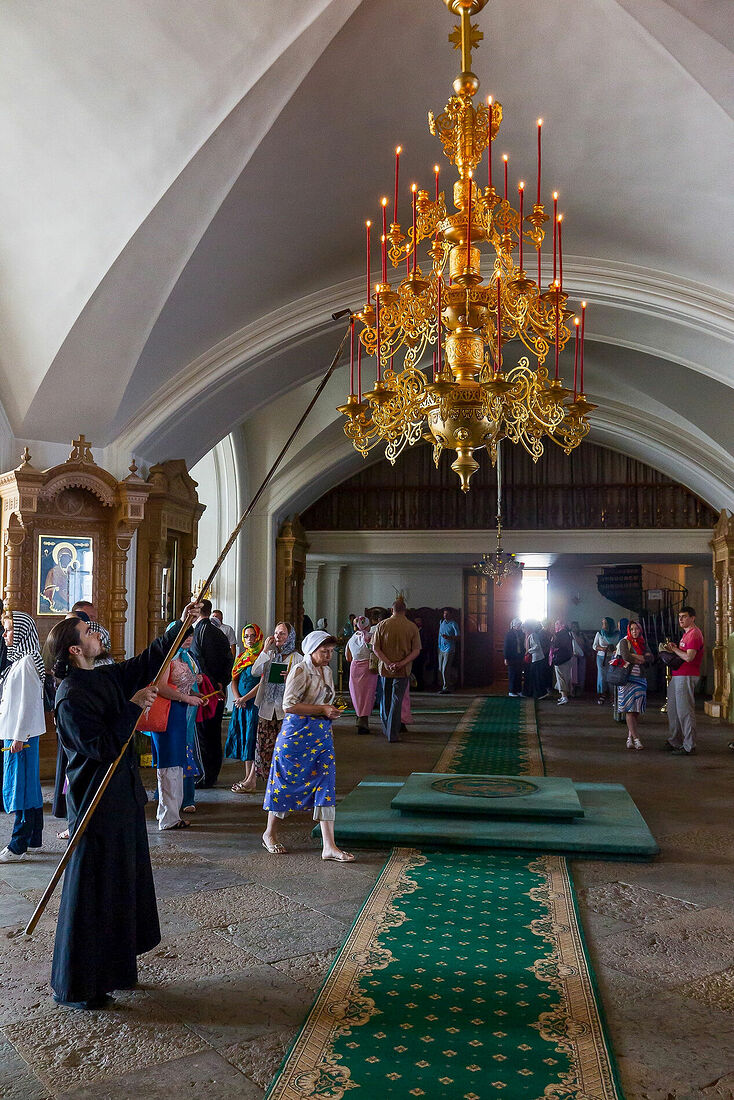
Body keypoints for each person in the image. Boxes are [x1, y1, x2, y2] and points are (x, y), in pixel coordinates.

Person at [45, 600, 198, 1008]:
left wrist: (180, 625)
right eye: (88, 632)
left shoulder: (103, 675)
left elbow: (147, 661)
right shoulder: (70, 696)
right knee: (93, 894)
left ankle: (116, 969)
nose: (96, 634)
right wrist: (134, 707)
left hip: (122, 799)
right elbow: (102, 747)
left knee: (120, 887)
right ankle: (81, 986)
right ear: (74, 650)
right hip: (95, 807)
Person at [262, 630, 353, 862]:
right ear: (311, 650)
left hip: (321, 735)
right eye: (324, 651)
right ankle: (269, 833)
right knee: (285, 783)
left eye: (331, 651)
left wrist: (331, 710)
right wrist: (322, 709)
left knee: (326, 784)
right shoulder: (300, 670)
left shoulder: (327, 671)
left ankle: (329, 846)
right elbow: (289, 705)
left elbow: (325, 699)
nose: (328, 656)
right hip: (296, 735)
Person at [0, 612, 46, 862]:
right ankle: (33, 838)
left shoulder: (27, 662)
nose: (5, 635)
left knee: (21, 787)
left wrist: (19, 737)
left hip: (22, 735)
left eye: (9, 630)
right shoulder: (20, 660)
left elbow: (28, 704)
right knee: (28, 785)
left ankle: (18, 844)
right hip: (18, 733)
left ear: (21, 632)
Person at [146, 631, 204, 829]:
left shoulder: (183, 657)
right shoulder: (167, 657)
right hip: (167, 712)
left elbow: (181, 685)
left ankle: (171, 812)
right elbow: (161, 687)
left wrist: (194, 694)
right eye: (184, 635)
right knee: (169, 762)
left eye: (190, 635)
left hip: (179, 711)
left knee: (177, 762)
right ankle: (168, 817)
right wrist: (187, 698)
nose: (188, 639)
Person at [189, 599, 234, 787]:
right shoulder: (219, 632)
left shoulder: (198, 633)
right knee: (213, 734)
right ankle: (212, 774)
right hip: (218, 691)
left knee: (203, 735)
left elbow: (199, 664)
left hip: (205, 693)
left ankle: (204, 776)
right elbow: (229, 660)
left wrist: (213, 685)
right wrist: (222, 683)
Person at [251, 622, 303, 785]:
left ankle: (285, 781)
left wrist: (290, 678)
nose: (278, 636)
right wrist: (265, 650)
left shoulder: (298, 658)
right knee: (264, 747)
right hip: (267, 708)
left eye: (282, 633)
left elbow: (302, 687)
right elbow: (255, 671)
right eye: (276, 633)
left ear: (290, 637)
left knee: (284, 748)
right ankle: (269, 781)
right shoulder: (271, 655)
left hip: (285, 710)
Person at [371, 600, 421, 742]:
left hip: (385, 668)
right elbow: (416, 651)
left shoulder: (382, 625)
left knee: (385, 699)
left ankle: (387, 729)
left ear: (391, 610)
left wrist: (388, 663)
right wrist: (401, 663)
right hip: (403, 669)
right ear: (405, 611)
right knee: (397, 700)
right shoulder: (412, 627)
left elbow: (375, 648)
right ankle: (393, 733)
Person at [661, 605, 704, 756]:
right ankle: (675, 740)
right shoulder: (686, 634)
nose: (680, 619)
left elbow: (689, 657)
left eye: (684, 616)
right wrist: (674, 648)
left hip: (687, 675)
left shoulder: (694, 634)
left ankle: (689, 745)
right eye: (679, 617)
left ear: (692, 618)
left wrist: (674, 650)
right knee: (673, 710)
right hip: (678, 675)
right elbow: (683, 653)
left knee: (685, 711)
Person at [226, 624, 263, 793]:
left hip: (254, 704)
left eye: (253, 635)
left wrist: (245, 698)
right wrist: (237, 698)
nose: (250, 639)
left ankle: (252, 780)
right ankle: (247, 776)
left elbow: (262, 683)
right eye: (246, 636)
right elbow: (234, 679)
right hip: (241, 705)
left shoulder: (262, 657)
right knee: (244, 739)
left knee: (253, 738)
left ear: (259, 636)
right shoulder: (242, 657)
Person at [614, 621, 653, 750]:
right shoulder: (624, 642)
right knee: (629, 709)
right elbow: (626, 656)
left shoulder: (643, 643)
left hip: (640, 679)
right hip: (627, 680)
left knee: (636, 710)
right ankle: (637, 739)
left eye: (636, 629)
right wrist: (640, 657)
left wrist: (636, 656)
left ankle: (629, 738)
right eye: (632, 629)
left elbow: (650, 658)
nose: (634, 631)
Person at [346, 615, 378, 734]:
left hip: (355, 668)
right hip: (369, 668)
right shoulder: (371, 637)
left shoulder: (352, 638)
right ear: (368, 625)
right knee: (368, 694)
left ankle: (359, 716)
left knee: (357, 694)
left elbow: (348, 657)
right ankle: (363, 721)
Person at [593, 617, 619, 704]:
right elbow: (594, 646)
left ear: (610, 624)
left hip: (613, 657)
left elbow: (619, 645)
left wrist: (614, 649)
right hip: (601, 658)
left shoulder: (617, 634)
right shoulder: (600, 633)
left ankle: (612, 695)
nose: (603, 625)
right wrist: (603, 649)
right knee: (602, 676)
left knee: (611, 676)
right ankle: (602, 694)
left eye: (605, 623)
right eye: (603, 623)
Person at [550, 620, 575, 705]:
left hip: (561, 659)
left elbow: (556, 645)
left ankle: (564, 697)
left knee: (561, 678)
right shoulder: (568, 633)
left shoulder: (559, 634)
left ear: (562, 625)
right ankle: (563, 696)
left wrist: (552, 640)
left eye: (557, 624)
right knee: (566, 677)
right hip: (567, 658)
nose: (555, 626)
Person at [523, 620, 549, 700]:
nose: (523, 630)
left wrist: (528, 651)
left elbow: (537, 646)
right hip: (536, 659)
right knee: (536, 677)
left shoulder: (532, 635)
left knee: (537, 677)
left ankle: (542, 693)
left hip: (537, 659)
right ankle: (538, 693)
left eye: (524, 628)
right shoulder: (531, 635)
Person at [437, 609, 460, 693]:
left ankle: (446, 687)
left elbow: (458, 637)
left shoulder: (454, 624)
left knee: (445, 669)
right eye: (444, 613)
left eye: (447, 614)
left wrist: (449, 637)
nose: (445, 615)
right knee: (440, 669)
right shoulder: (441, 622)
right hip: (440, 648)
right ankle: (443, 685)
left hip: (449, 649)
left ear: (451, 615)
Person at [503, 618, 525, 697]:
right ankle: (511, 690)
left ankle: (519, 690)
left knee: (519, 674)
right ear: (514, 625)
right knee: (512, 674)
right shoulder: (509, 634)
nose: (519, 626)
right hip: (511, 657)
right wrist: (506, 658)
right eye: (518, 624)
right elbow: (506, 646)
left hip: (519, 656)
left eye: (520, 624)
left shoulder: (521, 633)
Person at [569, 622, 588, 697]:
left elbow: (586, 644)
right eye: (573, 627)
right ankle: (572, 690)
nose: (574, 628)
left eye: (576, 627)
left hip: (582, 655)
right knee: (573, 674)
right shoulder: (570, 635)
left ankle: (580, 690)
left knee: (581, 674)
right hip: (573, 656)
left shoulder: (582, 635)